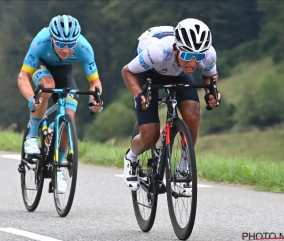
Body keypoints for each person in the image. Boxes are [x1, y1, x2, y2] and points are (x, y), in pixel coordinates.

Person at [121, 18, 221, 191]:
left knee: (192, 116)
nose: (192, 63)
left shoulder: (208, 54)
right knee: (149, 136)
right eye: (188, 55)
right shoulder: (157, 52)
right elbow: (127, 71)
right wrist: (139, 94)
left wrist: (210, 92)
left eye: (198, 57)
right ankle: (131, 157)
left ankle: (184, 166)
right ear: (176, 49)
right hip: (148, 71)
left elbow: (209, 76)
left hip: (178, 73)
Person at [18, 14, 103, 193]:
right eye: (60, 44)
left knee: (68, 118)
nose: (66, 49)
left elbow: (94, 82)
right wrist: (30, 98)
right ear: (51, 38)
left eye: (70, 44)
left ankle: (59, 170)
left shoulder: (84, 47)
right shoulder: (40, 42)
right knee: (48, 86)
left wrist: (95, 99)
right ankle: (32, 136)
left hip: (65, 75)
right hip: (42, 69)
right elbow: (23, 76)